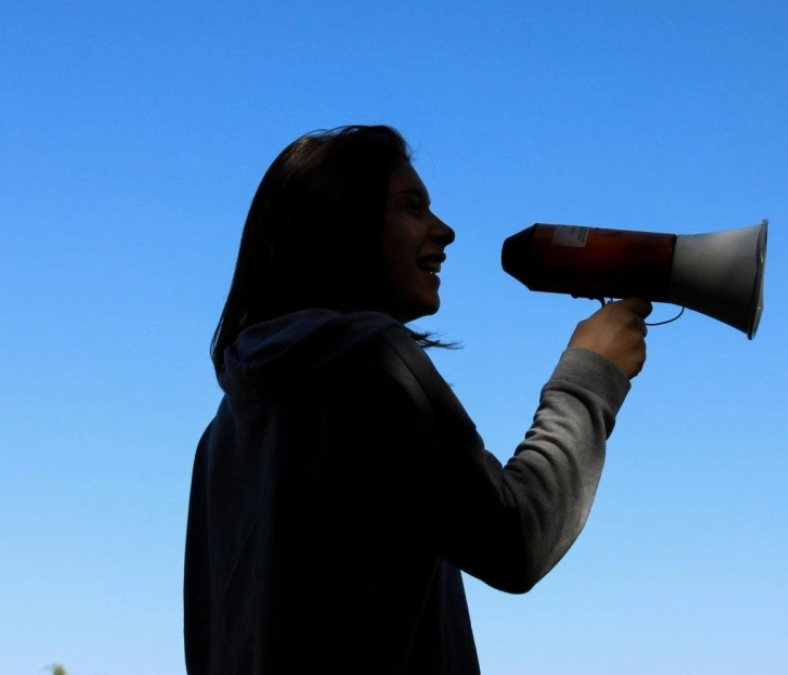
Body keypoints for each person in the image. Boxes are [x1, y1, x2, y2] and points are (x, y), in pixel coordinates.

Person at [184, 125, 652, 674]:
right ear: (342, 224)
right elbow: (517, 539)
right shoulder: (367, 357)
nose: (445, 230)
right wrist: (590, 376)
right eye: (413, 207)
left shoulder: (221, 438)